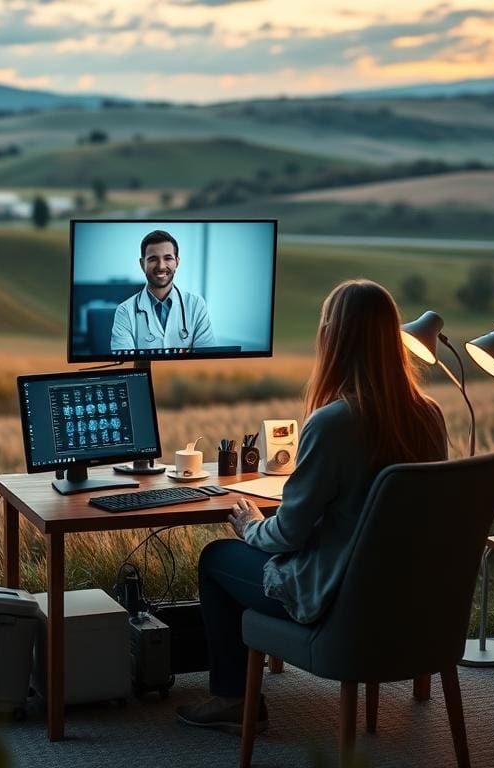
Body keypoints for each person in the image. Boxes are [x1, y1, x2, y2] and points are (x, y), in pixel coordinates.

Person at [176, 279, 448, 734]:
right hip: (409, 601)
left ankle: (231, 698)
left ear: (332, 338)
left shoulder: (334, 423)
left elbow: (290, 534)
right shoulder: (429, 414)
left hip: (339, 602)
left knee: (215, 560)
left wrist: (249, 527)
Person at [110, 229, 216, 352]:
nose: (161, 266)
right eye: (153, 259)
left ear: (177, 262)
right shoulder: (125, 311)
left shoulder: (196, 305)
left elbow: (208, 357)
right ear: (142, 264)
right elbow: (124, 364)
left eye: (168, 258)